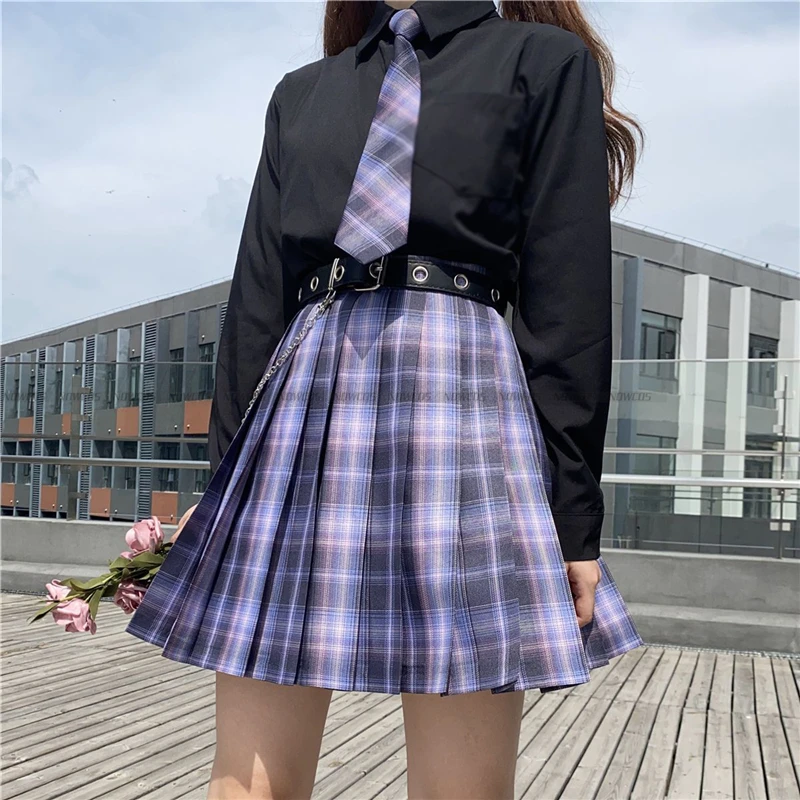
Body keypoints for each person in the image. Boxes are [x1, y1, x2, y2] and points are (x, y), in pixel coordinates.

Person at [127, 1, 645, 797]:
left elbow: (565, 301)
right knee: (247, 786)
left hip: (461, 403)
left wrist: (572, 519)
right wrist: (223, 483)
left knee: (460, 791)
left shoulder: (541, 63)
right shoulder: (303, 92)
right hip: (303, 403)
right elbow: (259, 298)